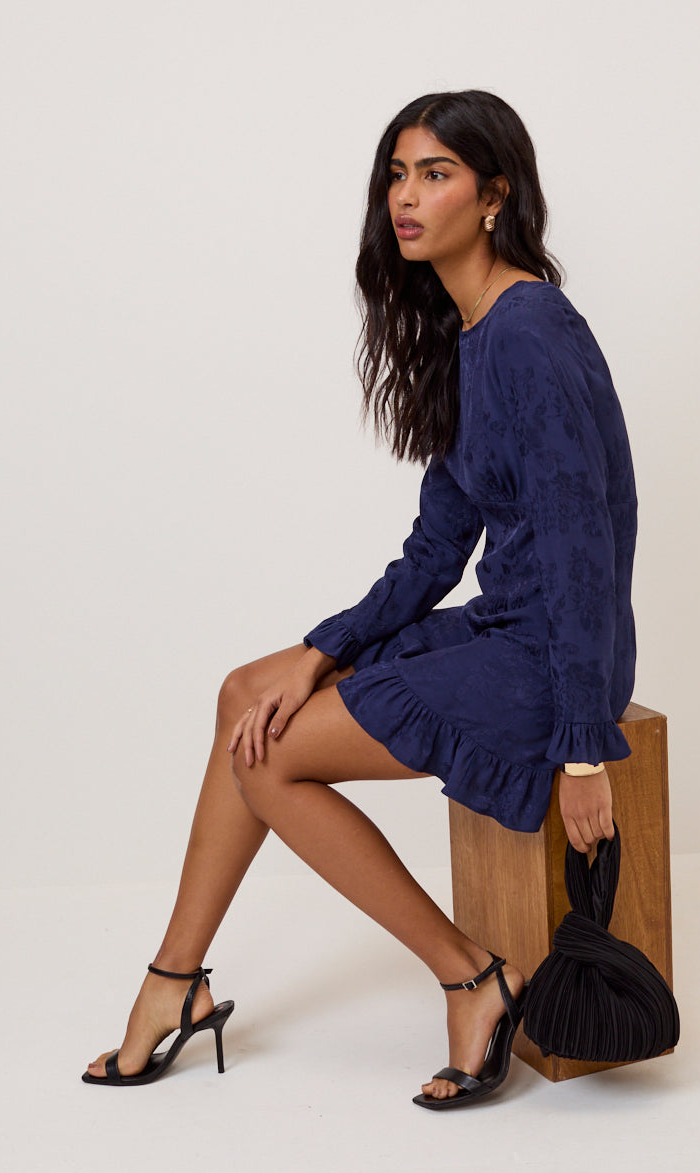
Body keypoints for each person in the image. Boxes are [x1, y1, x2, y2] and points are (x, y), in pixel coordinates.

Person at [83, 89, 637, 1110]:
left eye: (435, 174)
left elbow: (582, 549)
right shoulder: (471, 332)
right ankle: (178, 983)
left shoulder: (528, 334)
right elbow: (436, 545)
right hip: (503, 623)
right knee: (246, 692)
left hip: (548, 652)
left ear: (494, 194)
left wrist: (580, 744)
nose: (405, 196)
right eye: (396, 173)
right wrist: (318, 649)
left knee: (273, 753)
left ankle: (472, 977)